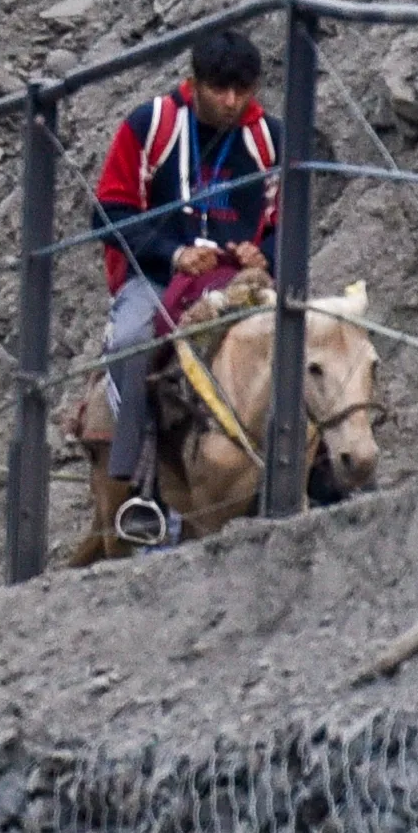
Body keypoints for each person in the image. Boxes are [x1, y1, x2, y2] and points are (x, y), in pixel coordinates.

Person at [92, 25, 278, 517]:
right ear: (193, 83)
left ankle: (320, 470)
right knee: (134, 340)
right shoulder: (151, 124)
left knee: (310, 339)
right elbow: (108, 212)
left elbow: (288, 220)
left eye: (243, 90)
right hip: (156, 277)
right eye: (220, 89)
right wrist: (171, 254)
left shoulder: (267, 139)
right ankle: (140, 488)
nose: (232, 102)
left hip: (239, 280)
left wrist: (267, 256)